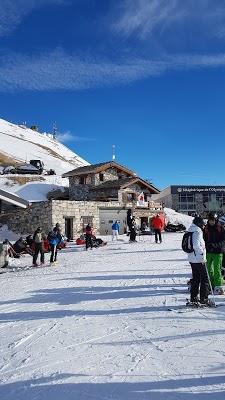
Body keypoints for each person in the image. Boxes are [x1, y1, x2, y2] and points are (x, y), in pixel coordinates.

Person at [187, 216, 212, 306]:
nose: (204, 226)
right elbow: (196, 245)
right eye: (203, 224)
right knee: (205, 278)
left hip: (192, 258)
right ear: (199, 224)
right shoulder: (197, 231)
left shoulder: (190, 229)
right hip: (198, 258)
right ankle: (203, 298)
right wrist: (201, 253)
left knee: (196, 278)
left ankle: (193, 297)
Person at [203, 212, 225, 295]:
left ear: (216, 220)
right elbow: (203, 239)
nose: (211, 222)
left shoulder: (221, 228)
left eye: (213, 220)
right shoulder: (206, 228)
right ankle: (211, 284)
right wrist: (207, 245)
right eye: (210, 220)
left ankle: (218, 285)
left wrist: (215, 245)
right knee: (208, 269)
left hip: (218, 252)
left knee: (217, 269)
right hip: (208, 251)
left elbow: (223, 241)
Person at [218, 215, 225, 280]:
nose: (220, 224)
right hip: (221, 249)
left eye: (222, 223)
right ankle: (222, 275)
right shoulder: (219, 229)